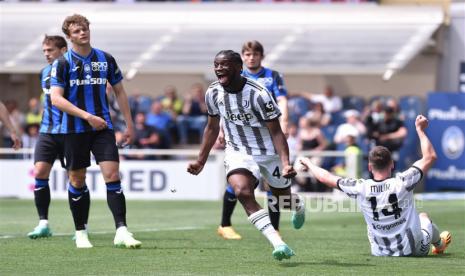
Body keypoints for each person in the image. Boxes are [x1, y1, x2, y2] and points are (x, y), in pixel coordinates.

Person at [187, 50, 304, 260]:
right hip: (238, 150)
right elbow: (212, 128)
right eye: (216, 64)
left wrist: (286, 163)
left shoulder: (259, 93)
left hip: (268, 152)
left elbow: (276, 131)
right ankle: (278, 243)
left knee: (282, 200)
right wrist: (201, 160)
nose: (219, 68)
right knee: (241, 190)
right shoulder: (213, 93)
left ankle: (297, 204)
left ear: (239, 67)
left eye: (224, 64)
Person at [299, 115, 452, 257]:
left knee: (370, 222)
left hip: (380, 252)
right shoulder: (403, 182)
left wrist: (308, 163)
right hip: (414, 250)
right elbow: (430, 157)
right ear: (392, 164)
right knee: (423, 217)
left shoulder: (360, 187)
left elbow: (325, 177)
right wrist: (420, 129)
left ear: (370, 167)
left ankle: (394, 245)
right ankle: (439, 244)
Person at [50, 14, 140, 249]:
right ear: (69, 37)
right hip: (74, 129)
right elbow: (56, 99)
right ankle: (81, 232)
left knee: (112, 175)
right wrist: (87, 116)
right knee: (77, 180)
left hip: (103, 128)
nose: (83, 33)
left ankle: (121, 230)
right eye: (77, 31)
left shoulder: (105, 58)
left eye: (85, 28)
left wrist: (129, 125)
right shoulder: (62, 63)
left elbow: (120, 92)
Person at [217, 40, 291, 240]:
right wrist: (221, 130)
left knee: (274, 186)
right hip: (241, 138)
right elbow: (227, 107)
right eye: (247, 54)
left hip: (267, 135)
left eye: (255, 54)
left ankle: (275, 228)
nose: (251, 58)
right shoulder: (236, 76)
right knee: (237, 184)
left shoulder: (273, 76)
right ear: (242, 57)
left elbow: (282, 99)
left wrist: (285, 121)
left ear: (261, 56)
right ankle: (225, 224)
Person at [26, 35, 68, 239]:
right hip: (47, 131)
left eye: (50, 50)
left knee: (76, 178)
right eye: (44, 51)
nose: (46, 54)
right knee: (40, 171)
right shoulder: (44, 72)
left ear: (63, 49)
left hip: (70, 132)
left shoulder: (72, 68)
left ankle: (81, 227)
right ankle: (43, 223)